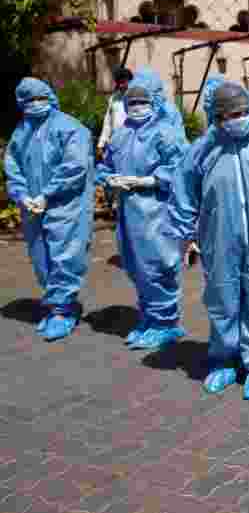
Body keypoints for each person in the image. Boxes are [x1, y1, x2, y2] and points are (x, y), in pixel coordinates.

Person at [167, 82, 249, 400]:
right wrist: (186, 236)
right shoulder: (202, 151)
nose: (241, 119)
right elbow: (183, 193)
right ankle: (223, 359)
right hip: (219, 238)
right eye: (233, 114)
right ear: (218, 117)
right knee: (223, 298)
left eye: (245, 112)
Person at [96, 68, 187, 350]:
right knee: (137, 267)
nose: (136, 106)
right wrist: (108, 178)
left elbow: (180, 168)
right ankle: (149, 318)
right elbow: (105, 164)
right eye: (132, 101)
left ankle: (166, 323)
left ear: (155, 101)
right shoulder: (122, 134)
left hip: (156, 211)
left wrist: (147, 180)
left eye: (143, 101)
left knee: (157, 266)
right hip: (128, 212)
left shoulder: (166, 133)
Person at [5, 78, 96, 341]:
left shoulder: (70, 127)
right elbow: (13, 165)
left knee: (65, 255)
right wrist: (21, 194)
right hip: (33, 206)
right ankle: (56, 305)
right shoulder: (22, 131)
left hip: (66, 205)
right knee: (40, 256)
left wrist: (48, 193)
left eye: (40, 98)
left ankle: (63, 310)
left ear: (50, 97)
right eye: (29, 100)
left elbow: (75, 166)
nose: (35, 104)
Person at [98, 67, 132, 156]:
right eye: (118, 83)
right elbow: (107, 122)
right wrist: (101, 144)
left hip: (131, 144)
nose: (120, 86)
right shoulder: (113, 98)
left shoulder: (135, 99)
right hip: (115, 143)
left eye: (123, 82)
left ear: (130, 81)